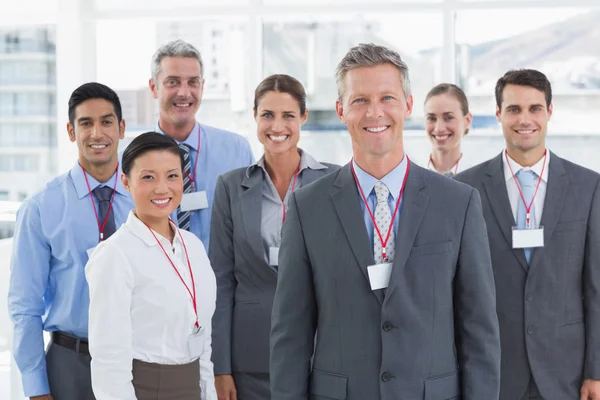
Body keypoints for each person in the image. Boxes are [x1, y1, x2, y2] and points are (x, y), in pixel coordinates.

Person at [269, 43, 500, 400]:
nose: (374, 113)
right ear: (340, 110)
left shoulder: (459, 202)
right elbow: (291, 335)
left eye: (387, 98)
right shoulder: (306, 208)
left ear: (407, 106)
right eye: (360, 100)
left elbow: (479, 330)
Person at [455, 69, 600, 400]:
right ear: (498, 115)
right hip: (492, 372)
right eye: (514, 109)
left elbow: (596, 286)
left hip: (567, 372)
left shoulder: (588, 187)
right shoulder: (465, 189)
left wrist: (597, 369)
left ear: (549, 112)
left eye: (535, 108)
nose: (525, 119)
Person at [209, 74, 339, 400]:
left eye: (288, 116)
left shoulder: (336, 181)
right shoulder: (231, 187)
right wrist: (220, 366)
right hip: (251, 356)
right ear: (255, 116)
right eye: (267, 115)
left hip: (320, 350)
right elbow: (221, 281)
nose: (276, 125)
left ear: (303, 118)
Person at [8, 82, 133, 400]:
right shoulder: (41, 207)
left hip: (137, 361)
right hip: (70, 363)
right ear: (70, 131)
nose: (97, 134)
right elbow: (25, 307)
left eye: (106, 122)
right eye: (85, 123)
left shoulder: (146, 199)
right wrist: (36, 387)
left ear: (121, 128)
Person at [85, 132, 218, 400]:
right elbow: (109, 361)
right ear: (125, 182)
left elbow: (203, 336)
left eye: (172, 176)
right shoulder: (115, 255)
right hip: (146, 390)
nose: (162, 188)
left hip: (192, 387)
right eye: (148, 177)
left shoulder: (192, 246)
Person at [149, 39, 254, 250]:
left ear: (203, 87)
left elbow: (251, 227)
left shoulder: (237, 151)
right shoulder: (131, 161)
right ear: (154, 88)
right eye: (173, 82)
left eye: (193, 82)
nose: (184, 92)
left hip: (220, 280)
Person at [423, 83, 473, 176]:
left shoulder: (479, 180)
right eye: (431, 118)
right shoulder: (411, 177)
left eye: (449, 118)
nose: (439, 128)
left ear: (467, 120)